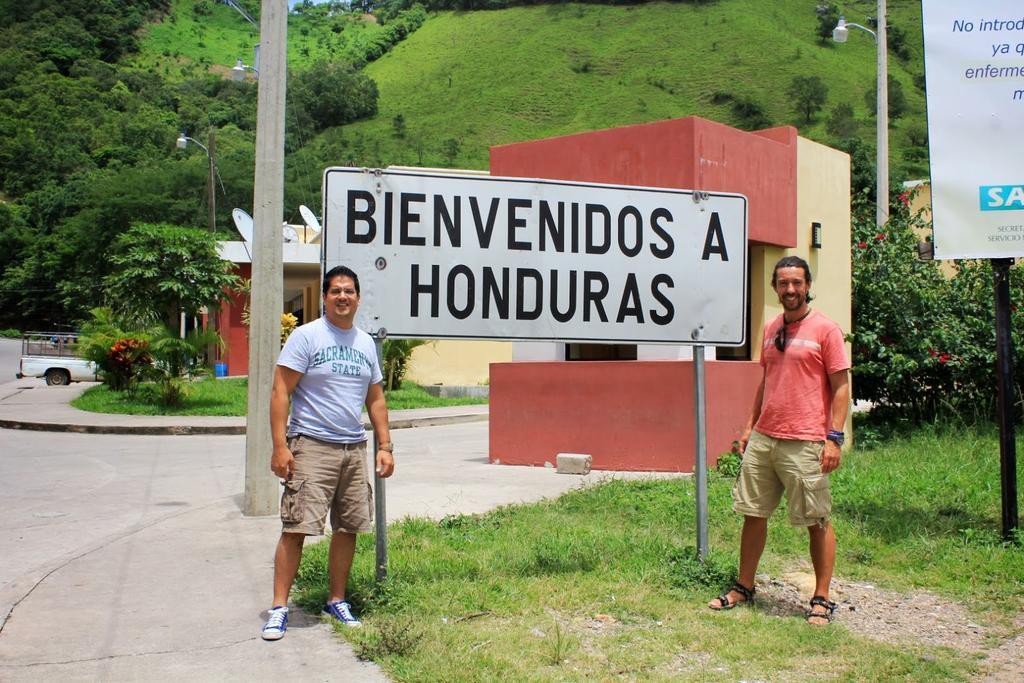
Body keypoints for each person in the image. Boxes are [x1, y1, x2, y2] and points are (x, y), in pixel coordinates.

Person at [708, 255, 850, 626]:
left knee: (815, 519)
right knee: (753, 514)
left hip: (805, 441)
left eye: (797, 283)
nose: (790, 290)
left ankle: (821, 598)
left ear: (808, 286)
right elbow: (766, 381)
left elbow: (841, 387)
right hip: (765, 439)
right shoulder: (771, 327)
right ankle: (744, 586)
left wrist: (834, 438)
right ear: (775, 287)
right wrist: (748, 427)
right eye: (784, 283)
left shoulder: (826, 330)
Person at [261, 265, 395, 641]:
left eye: (349, 291)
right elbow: (280, 392)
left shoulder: (365, 343)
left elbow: (376, 399)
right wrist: (279, 446)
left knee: (348, 527)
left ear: (357, 297)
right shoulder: (307, 337)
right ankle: (279, 608)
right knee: (296, 528)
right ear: (324, 297)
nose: (342, 297)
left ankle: (336, 600)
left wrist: (385, 446)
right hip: (311, 445)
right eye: (335, 291)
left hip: (354, 448)